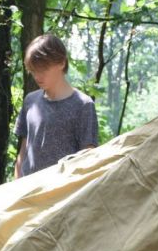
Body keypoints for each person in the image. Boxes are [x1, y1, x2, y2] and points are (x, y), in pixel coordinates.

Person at [14, 34, 99, 178]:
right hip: (26, 191)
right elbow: (23, 151)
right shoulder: (30, 101)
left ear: (61, 63)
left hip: (61, 193)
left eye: (43, 69)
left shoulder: (83, 105)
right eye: (33, 70)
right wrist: (15, 185)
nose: (37, 76)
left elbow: (88, 157)